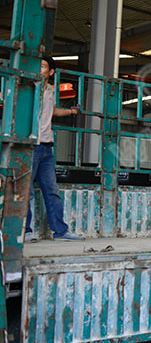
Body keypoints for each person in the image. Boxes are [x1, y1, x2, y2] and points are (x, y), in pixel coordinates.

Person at [25, 56, 83, 242]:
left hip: (47, 148)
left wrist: (71, 112)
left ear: (51, 72)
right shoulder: (29, 87)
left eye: (42, 66)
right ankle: (24, 231)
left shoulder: (49, 90)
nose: (38, 68)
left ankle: (60, 231)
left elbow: (53, 111)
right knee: (26, 190)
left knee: (51, 191)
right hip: (31, 146)